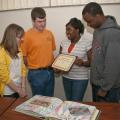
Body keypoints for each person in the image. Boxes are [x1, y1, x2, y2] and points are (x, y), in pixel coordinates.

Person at [82, 2, 120, 102]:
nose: (88, 25)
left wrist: (105, 88)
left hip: (108, 89)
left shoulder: (112, 34)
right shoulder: (97, 31)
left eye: (90, 21)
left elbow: (113, 64)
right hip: (97, 84)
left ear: (98, 15)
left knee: (108, 116)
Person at [21, 7, 56, 96]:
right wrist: (34, 69)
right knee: (38, 102)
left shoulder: (49, 33)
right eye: (39, 22)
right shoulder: (26, 36)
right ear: (33, 21)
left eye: (44, 21)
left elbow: (51, 53)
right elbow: (24, 58)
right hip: (36, 74)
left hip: (50, 72)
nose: (43, 24)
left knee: (50, 100)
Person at [59, 18, 92, 101]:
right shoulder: (63, 42)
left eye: (69, 29)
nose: (67, 32)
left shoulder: (86, 42)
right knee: (69, 101)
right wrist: (57, 68)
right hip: (66, 77)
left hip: (80, 79)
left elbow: (91, 62)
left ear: (77, 30)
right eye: (66, 30)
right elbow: (59, 58)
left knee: (76, 103)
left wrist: (82, 63)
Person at [0, 24, 27, 98]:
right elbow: (3, 76)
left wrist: (23, 88)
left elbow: (23, 69)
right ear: (11, 37)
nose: (22, 39)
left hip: (19, 89)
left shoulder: (19, 50)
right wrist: (19, 90)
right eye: (20, 37)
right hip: (7, 92)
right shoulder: (2, 52)